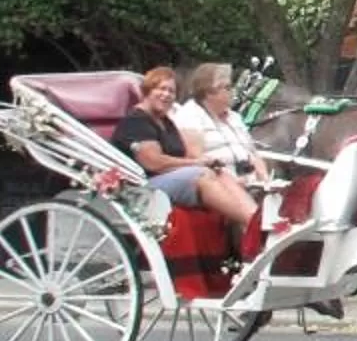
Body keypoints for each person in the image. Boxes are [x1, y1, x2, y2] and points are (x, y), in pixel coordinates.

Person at [114, 66, 256, 246]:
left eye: (171, 91)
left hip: (168, 178)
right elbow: (154, 163)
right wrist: (196, 163)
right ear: (148, 91)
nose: (166, 95)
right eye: (161, 89)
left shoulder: (165, 121)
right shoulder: (137, 121)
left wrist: (207, 163)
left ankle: (255, 217)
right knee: (202, 175)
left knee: (220, 173)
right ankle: (251, 225)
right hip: (144, 185)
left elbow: (181, 154)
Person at [172, 62, 274, 186]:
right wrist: (232, 181)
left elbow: (253, 153)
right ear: (209, 91)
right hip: (218, 185)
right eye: (228, 87)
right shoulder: (190, 114)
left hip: (250, 183)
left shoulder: (234, 117)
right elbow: (195, 159)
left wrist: (264, 179)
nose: (233, 91)